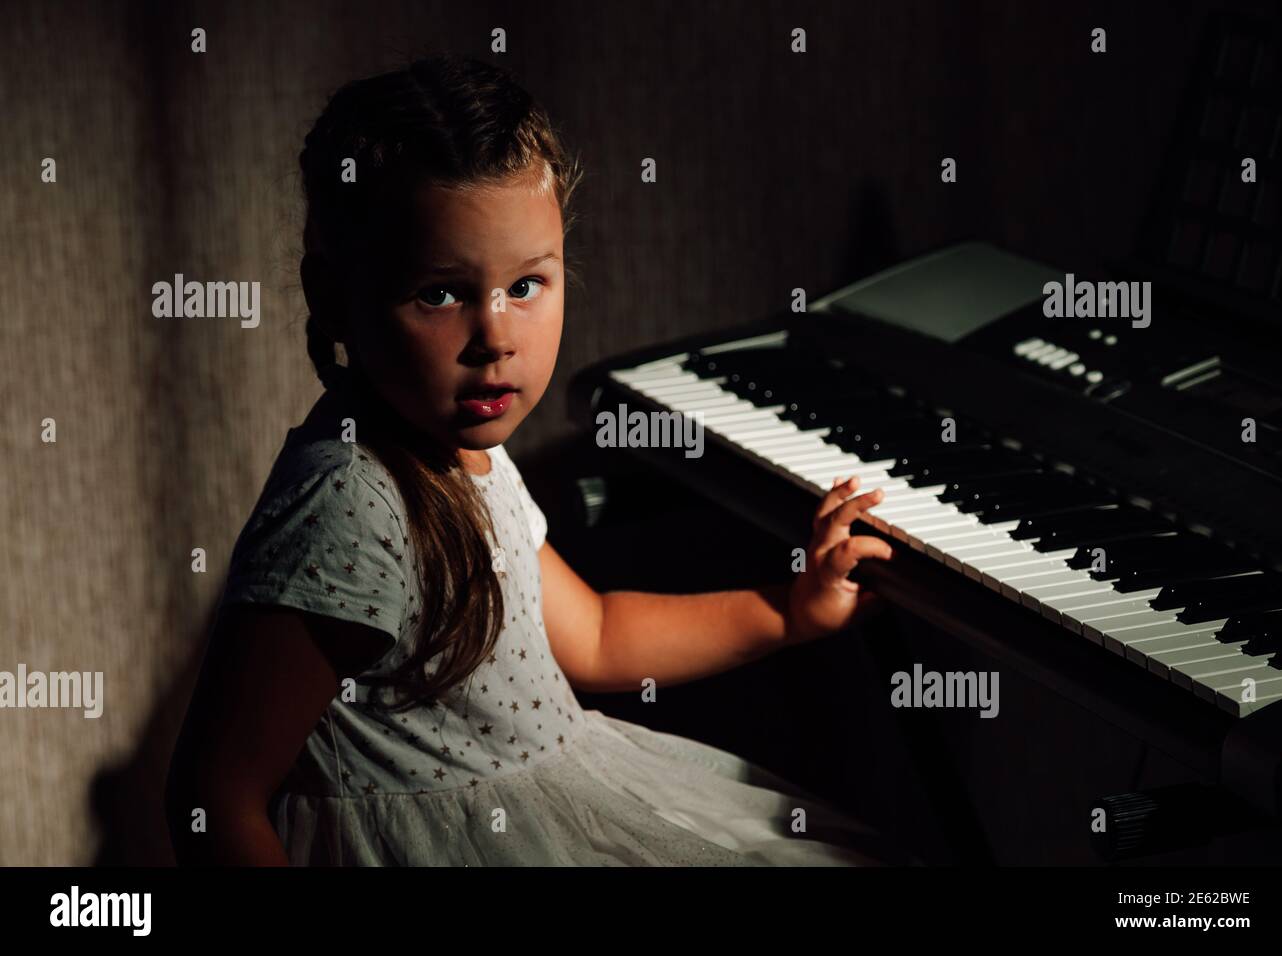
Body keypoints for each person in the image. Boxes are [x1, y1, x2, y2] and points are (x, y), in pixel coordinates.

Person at [166, 55, 900, 866]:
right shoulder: (347, 500)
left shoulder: (462, 449)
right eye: (439, 293)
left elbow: (597, 634)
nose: (496, 337)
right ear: (335, 296)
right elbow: (214, 798)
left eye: (526, 284)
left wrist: (789, 609)